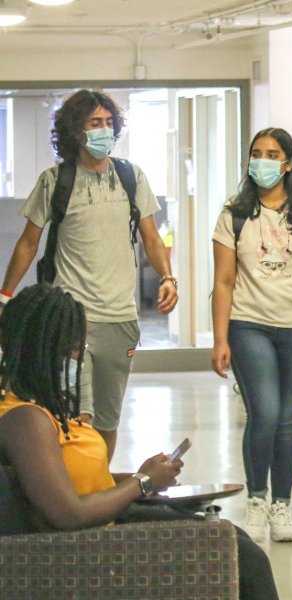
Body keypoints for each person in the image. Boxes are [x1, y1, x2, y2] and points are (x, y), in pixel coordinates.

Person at [0, 284, 279, 599]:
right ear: (43, 348)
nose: (80, 354)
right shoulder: (25, 420)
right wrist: (141, 483)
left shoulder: (44, 408)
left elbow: (73, 482)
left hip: (101, 529)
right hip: (85, 551)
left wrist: (142, 477)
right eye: (74, 347)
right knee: (243, 556)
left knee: (234, 539)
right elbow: (69, 513)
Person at [0, 89, 178, 461]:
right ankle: (67, 495)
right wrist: (5, 296)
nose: (104, 130)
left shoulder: (131, 177)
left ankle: (94, 486)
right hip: (70, 320)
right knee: (75, 416)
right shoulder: (55, 181)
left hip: (120, 320)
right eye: (95, 123)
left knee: (107, 422)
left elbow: (150, 236)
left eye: (109, 123)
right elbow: (28, 244)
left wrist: (167, 278)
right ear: (76, 132)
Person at [211, 127, 292, 543]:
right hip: (249, 325)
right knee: (263, 413)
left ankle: (282, 505)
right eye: (256, 153)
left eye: (271, 153)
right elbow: (224, 281)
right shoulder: (234, 212)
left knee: (287, 420)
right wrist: (220, 339)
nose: (262, 161)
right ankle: (257, 500)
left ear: (288, 163)